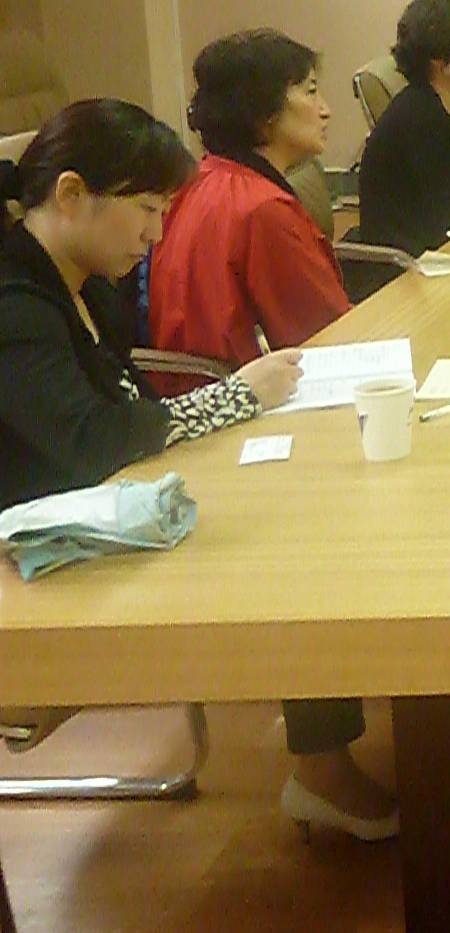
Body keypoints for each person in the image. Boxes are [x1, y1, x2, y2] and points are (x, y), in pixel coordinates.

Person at [0, 102, 396, 839]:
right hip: (38, 556)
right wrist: (235, 398)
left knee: (294, 509)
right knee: (287, 548)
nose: (155, 235)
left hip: (100, 506)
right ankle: (322, 768)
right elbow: (90, 440)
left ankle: (323, 760)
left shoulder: (81, 281)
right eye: (147, 211)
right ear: (72, 194)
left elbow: (121, 409)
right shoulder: (15, 304)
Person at [149, 30, 350, 383]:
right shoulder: (261, 208)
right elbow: (332, 338)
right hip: (237, 396)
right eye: (311, 92)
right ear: (264, 111)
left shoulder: (200, 177)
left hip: (190, 388)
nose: (325, 110)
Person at [357, 0, 450, 258]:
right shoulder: (417, 120)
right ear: (436, 56)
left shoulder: (444, 111)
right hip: (409, 269)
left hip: (439, 253)